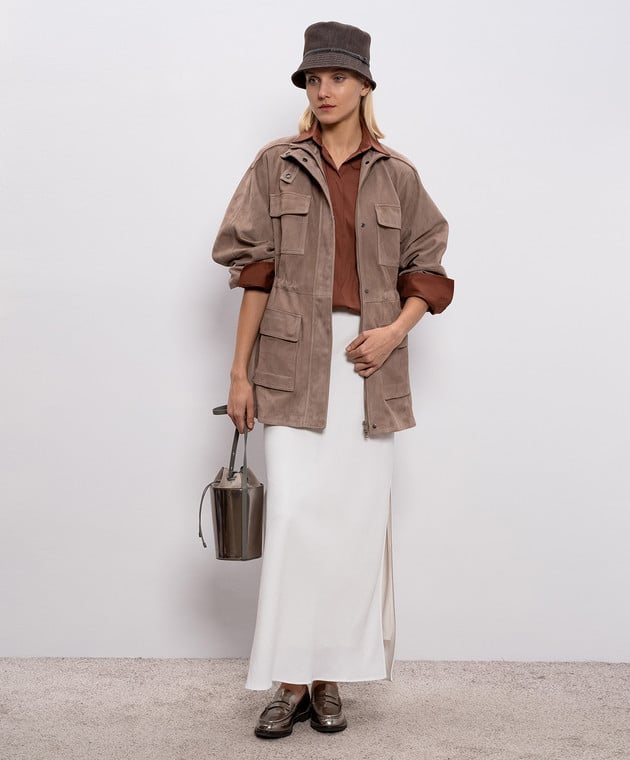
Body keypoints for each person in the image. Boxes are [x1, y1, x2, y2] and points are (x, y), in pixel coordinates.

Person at [212, 20, 454, 739]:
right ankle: (287, 680)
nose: (324, 90)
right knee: (293, 522)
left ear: (365, 85)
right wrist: (239, 374)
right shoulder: (276, 166)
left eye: (338, 77)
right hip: (291, 366)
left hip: (367, 369)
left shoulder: (398, 175)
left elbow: (427, 270)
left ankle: (328, 679)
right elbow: (254, 273)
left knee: (352, 528)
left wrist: (394, 332)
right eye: (314, 79)